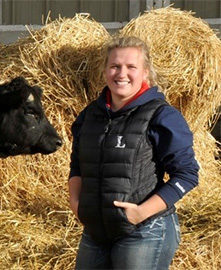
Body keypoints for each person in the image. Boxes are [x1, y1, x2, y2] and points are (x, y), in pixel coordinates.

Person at [68, 35, 199, 269]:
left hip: (144, 231)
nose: (121, 74)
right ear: (105, 71)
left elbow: (187, 175)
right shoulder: (90, 115)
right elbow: (77, 163)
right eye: (115, 66)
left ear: (145, 73)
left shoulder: (161, 116)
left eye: (131, 67)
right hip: (96, 232)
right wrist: (76, 204)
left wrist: (140, 213)